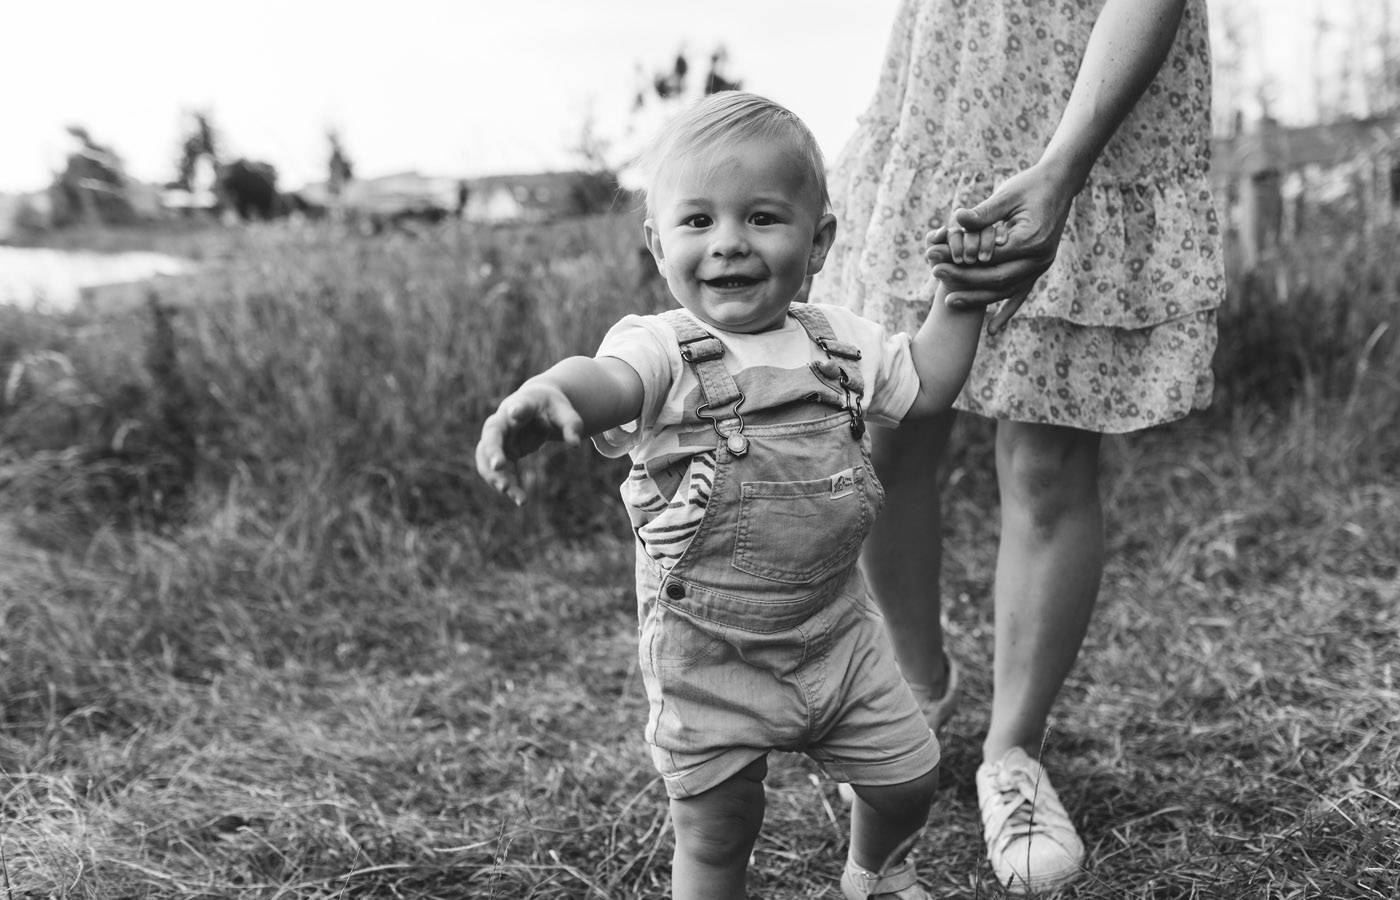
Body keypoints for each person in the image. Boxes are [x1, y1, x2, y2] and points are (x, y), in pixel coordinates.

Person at [476, 91, 988, 900]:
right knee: (718, 833)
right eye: (697, 222)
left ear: (818, 240)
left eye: (760, 217)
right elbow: (607, 382)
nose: (727, 245)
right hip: (709, 653)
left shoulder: (841, 342)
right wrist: (550, 394)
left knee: (907, 779)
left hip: (837, 636)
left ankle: (876, 872)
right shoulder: (663, 349)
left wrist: (959, 300)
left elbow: (923, 384)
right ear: (656, 243)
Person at [810, 0, 1225, 894]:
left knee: (1048, 462)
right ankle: (914, 692)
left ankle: (1013, 754)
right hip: (950, 86)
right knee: (887, 425)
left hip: (1098, 108)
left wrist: (1064, 169)